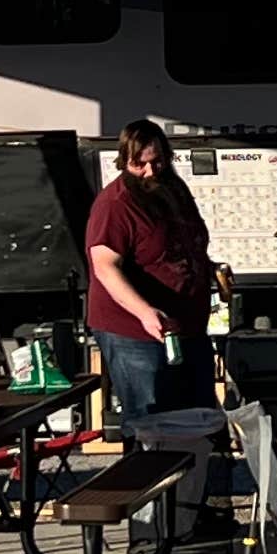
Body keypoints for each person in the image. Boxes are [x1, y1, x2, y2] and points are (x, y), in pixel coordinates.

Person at [84, 118, 220, 424]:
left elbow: (181, 241)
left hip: (186, 323)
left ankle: (197, 470)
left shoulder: (172, 187)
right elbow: (105, 267)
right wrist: (144, 311)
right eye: (139, 165)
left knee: (198, 414)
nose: (150, 171)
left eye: (158, 162)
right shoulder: (116, 204)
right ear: (124, 161)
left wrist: (206, 267)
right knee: (152, 418)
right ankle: (154, 469)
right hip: (135, 330)